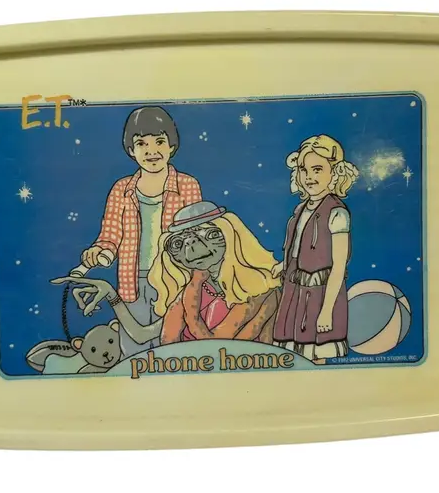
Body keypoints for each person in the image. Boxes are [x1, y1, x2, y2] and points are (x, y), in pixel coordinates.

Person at [55, 201, 280, 346]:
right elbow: (142, 335)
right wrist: (111, 295)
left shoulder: (259, 289)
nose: (191, 246)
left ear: (231, 236)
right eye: (178, 243)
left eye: (209, 234)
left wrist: (192, 295)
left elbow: (217, 344)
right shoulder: (191, 292)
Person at [74, 106, 202, 357]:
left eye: (159, 142)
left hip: (176, 281)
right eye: (142, 144)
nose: (152, 151)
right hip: (132, 282)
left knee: (175, 347)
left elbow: (195, 236)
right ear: (131, 150)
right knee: (133, 350)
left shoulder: (187, 185)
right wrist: (98, 253)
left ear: (171, 146)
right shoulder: (121, 189)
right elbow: (110, 236)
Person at [271, 135, 359, 363]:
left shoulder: (337, 213)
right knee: (293, 351)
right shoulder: (301, 209)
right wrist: (283, 265)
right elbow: (298, 247)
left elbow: (339, 266)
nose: (309, 177)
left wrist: (327, 310)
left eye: (317, 169)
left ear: (334, 173)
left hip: (320, 295)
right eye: (304, 170)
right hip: (295, 291)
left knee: (316, 352)